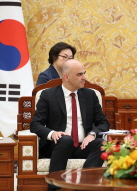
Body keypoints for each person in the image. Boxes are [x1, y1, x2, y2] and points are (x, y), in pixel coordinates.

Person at [30, 59, 109, 191]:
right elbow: (35, 124)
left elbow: (103, 122)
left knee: (101, 143)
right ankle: (53, 187)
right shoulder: (48, 95)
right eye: (79, 74)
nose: (84, 77)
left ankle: (82, 186)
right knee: (65, 139)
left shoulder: (90, 95)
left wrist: (92, 134)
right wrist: (52, 133)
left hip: (82, 146)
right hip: (57, 147)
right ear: (66, 76)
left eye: (84, 73)